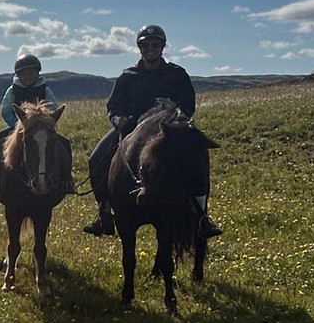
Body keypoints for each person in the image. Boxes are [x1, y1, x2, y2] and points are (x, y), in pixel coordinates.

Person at [82, 24, 222, 238]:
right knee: (96, 158)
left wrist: (179, 114)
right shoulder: (128, 76)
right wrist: (117, 119)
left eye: (155, 45)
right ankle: (104, 212)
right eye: (145, 45)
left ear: (162, 47)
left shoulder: (177, 74)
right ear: (140, 48)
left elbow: (188, 104)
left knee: (198, 158)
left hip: (170, 131)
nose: (150, 49)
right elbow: (113, 106)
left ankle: (201, 215)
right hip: (131, 129)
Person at [0, 53, 74, 196]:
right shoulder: (12, 90)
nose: (28, 76)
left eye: (31, 73)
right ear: (19, 75)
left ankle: (67, 180)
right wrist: (18, 125)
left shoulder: (45, 89)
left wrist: (45, 122)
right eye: (24, 74)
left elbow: (52, 106)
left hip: (41, 128)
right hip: (18, 128)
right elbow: (6, 109)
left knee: (65, 144)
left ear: (37, 73)